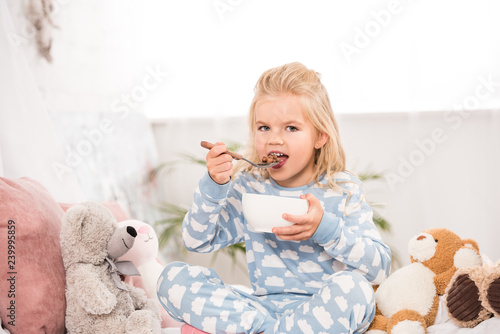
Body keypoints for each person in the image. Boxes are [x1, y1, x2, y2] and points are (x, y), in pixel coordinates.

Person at [157, 62, 392, 334]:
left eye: (291, 128)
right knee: (172, 278)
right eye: (264, 128)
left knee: (356, 290)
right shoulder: (248, 186)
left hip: (322, 311)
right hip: (261, 312)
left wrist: (326, 230)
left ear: (320, 136)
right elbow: (196, 240)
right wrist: (213, 185)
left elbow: (379, 268)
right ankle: (274, 330)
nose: (274, 140)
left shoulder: (341, 189)